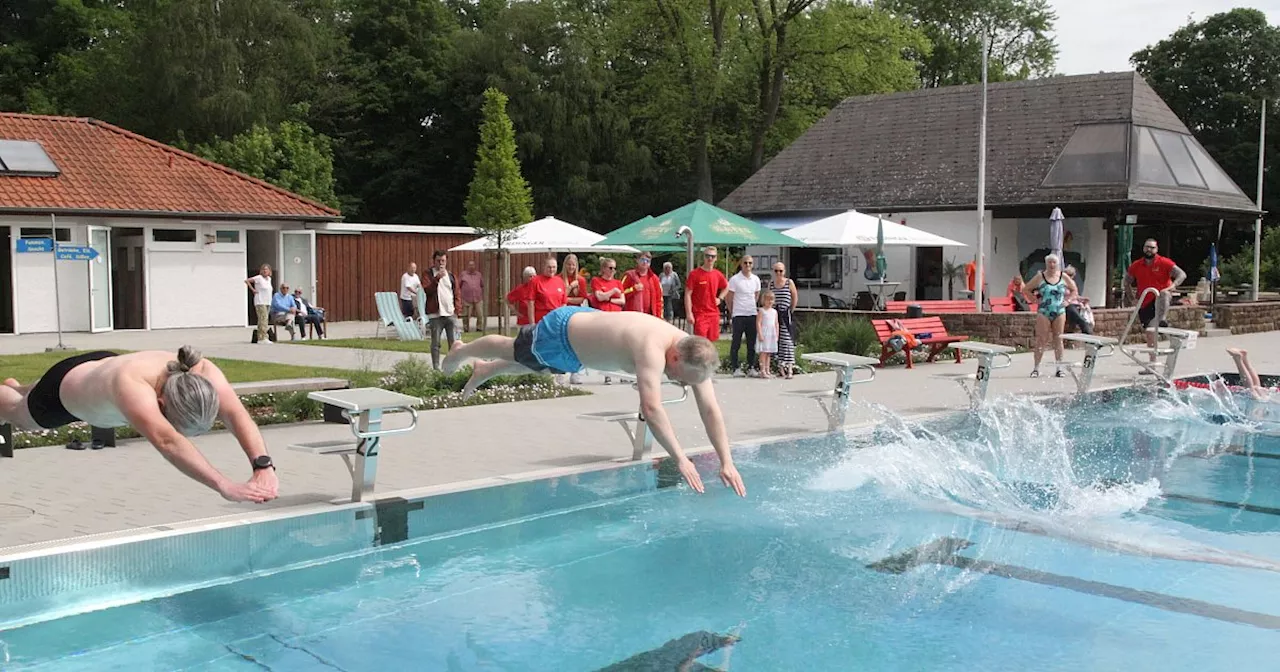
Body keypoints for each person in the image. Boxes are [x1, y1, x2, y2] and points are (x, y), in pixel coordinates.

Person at [442, 307, 746, 497]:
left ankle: (485, 369)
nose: (682, 383)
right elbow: (652, 409)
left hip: (579, 348)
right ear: (675, 357)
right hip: (562, 334)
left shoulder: (697, 356)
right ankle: (463, 350)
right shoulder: (651, 347)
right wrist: (681, 458)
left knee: (537, 363)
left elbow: (710, 409)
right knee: (513, 350)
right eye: (682, 377)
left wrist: (727, 462)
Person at [0, 347, 278, 502]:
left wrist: (263, 465)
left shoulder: (203, 374)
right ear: (160, 403)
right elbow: (168, 441)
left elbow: (238, 415)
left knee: (27, 394)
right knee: (20, 415)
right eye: (175, 422)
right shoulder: (133, 387)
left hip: (94, 369)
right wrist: (224, 485)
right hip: (62, 394)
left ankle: (19, 388)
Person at [1124, 239, 1187, 370]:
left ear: (1156, 249)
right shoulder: (1137, 265)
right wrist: (1132, 298)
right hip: (1145, 300)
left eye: (1152, 248)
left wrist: (1172, 286)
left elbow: (1182, 274)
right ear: (1143, 248)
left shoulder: (1164, 262)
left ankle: (1162, 319)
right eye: (1147, 247)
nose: (1149, 250)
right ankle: (1152, 363)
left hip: (1160, 298)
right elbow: (1127, 281)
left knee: (1163, 294)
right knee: (1149, 333)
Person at [1022, 253, 1077, 378]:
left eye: (1054, 262)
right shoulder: (1040, 277)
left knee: (1058, 339)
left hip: (1059, 310)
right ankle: (1036, 368)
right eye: (1049, 262)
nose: (1052, 265)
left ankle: (1059, 368)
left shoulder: (1063, 276)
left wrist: (1068, 301)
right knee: (1041, 339)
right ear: (1046, 264)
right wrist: (1034, 299)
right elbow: (1026, 289)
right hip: (1044, 310)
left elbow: (1074, 290)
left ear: (1057, 264)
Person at [423, 250, 464, 370]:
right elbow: (427, 290)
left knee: (454, 343)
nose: (441, 263)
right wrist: (437, 279)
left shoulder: (451, 275)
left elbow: (456, 293)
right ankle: (436, 367)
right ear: (434, 261)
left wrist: (457, 310)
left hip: (450, 313)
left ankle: (452, 366)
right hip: (435, 315)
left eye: (443, 261)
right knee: (436, 343)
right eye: (438, 261)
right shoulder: (428, 274)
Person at [591, 258, 626, 384]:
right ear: (604, 269)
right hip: (603, 316)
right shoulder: (597, 281)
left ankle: (622, 372)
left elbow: (623, 301)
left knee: (619, 345)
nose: (612, 271)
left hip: (616, 316)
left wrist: (609, 299)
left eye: (614, 268)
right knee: (606, 346)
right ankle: (607, 374)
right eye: (610, 268)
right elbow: (599, 297)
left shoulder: (617, 282)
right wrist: (612, 292)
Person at [724, 256, 761, 377]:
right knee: (736, 342)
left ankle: (751, 367)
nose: (748, 265)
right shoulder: (735, 279)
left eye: (750, 263)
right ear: (741, 264)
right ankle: (735, 368)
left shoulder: (756, 279)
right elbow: (729, 297)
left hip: (751, 314)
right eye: (745, 263)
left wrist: (751, 307)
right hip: (738, 315)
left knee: (752, 343)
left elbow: (756, 295)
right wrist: (732, 311)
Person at [685, 246, 728, 342]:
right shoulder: (694, 274)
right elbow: (687, 294)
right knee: (701, 343)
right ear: (704, 257)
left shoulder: (717, 274)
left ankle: (711, 357)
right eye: (707, 256)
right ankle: (699, 358)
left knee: (712, 343)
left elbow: (726, 287)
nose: (710, 258)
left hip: (713, 313)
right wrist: (689, 313)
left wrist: (720, 298)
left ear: (716, 258)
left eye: (713, 256)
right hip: (700, 314)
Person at [768, 262, 799, 378]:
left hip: (786, 314)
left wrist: (791, 309)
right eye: (776, 271)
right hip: (775, 315)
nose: (778, 273)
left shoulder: (789, 282)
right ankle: (780, 368)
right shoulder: (771, 284)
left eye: (780, 271)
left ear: (784, 271)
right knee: (776, 341)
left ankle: (790, 367)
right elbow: (768, 297)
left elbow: (795, 297)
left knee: (787, 341)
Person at [621, 251, 663, 318]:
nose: (645, 262)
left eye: (648, 261)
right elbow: (620, 294)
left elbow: (659, 300)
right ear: (637, 260)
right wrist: (633, 289)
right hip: (631, 316)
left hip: (650, 316)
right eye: (642, 260)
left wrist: (659, 317)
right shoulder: (629, 275)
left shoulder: (654, 278)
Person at [529, 257, 567, 324]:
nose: (551, 269)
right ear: (544, 267)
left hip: (557, 319)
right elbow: (531, 304)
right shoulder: (535, 281)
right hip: (542, 319)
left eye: (554, 267)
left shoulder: (560, 281)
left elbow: (564, 303)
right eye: (549, 267)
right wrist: (532, 324)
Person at [245, 264, 273, 344]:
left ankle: (263, 335)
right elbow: (247, 281)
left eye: (267, 269)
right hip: (260, 301)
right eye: (263, 269)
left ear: (269, 271)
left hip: (267, 301)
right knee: (262, 319)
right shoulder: (258, 278)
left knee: (265, 319)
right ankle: (262, 337)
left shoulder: (269, 279)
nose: (265, 271)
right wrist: (253, 290)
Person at [756, 290, 779, 378]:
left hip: (771, 333)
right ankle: (762, 370)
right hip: (764, 333)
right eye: (767, 300)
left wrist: (777, 333)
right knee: (763, 353)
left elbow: (776, 323)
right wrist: (760, 333)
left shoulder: (774, 312)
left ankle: (767, 370)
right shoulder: (762, 311)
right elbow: (758, 322)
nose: (769, 302)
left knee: (768, 353)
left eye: (771, 300)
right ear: (763, 300)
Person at [459, 260, 485, 333]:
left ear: (475, 266)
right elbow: (459, 285)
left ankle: (479, 328)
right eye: (470, 265)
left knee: (480, 314)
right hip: (466, 298)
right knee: (466, 315)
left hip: (478, 298)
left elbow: (482, 284)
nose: (471, 267)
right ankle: (466, 328)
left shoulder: (479, 274)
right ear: (468, 266)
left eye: (473, 265)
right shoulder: (463, 274)